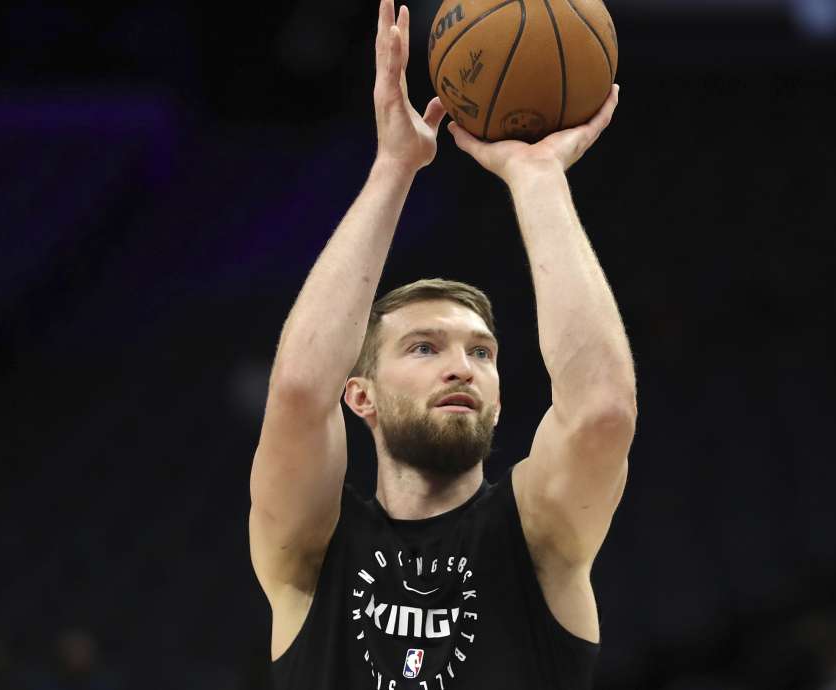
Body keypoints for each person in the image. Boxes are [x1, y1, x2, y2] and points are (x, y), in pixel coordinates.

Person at [249, 1, 634, 687]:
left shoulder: (538, 541)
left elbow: (602, 411)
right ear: (360, 396)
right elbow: (302, 391)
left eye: (481, 352)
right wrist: (393, 167)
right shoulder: (313, 551)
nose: (462, 367)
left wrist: (538, 177)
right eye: (424, 348)